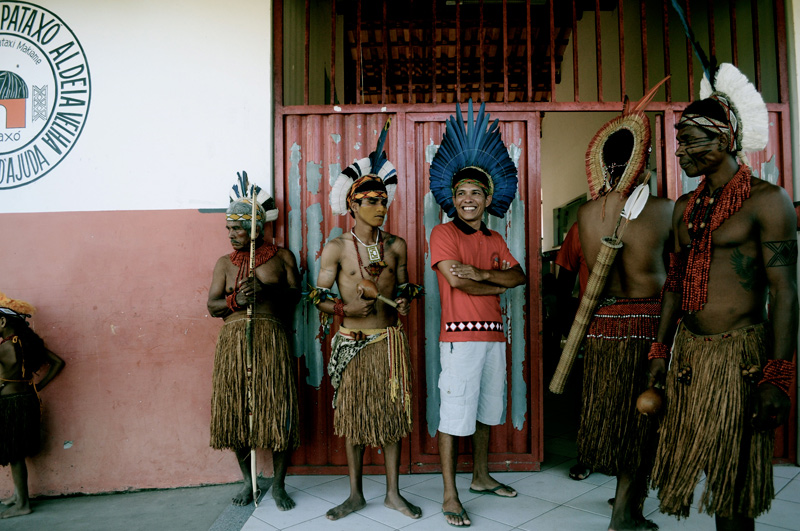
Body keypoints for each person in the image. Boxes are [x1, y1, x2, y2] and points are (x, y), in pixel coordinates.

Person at [648, 63, 797, 530]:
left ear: (726, 139)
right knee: (710, 467)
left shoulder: (768, 201)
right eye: (679, 141)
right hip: (691, 357)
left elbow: (785, 291)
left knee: (735, 482)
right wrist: (660, 349)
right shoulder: (684, 208)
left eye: (692, 140)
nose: (680, 151)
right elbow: (675, 283)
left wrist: (778, 375)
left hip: (741, 358)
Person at [574, 94, 674, 529]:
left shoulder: (586, 213)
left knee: (617, 417)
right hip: (650, 323)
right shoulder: (664, 210)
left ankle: (626, 502)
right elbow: (679, 275)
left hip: (604, 324)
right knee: (643, 420)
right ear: (642, 161)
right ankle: (623, 514)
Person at [313, 120, 422, 521]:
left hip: (388, 345)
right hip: (354, 345)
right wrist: (345, 310)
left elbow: (408, 286)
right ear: (353, 205)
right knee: (355, 419)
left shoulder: (396, 246)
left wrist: (406, 299)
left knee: (391, 418)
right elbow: (317, 297)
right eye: (372, 201)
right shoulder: (337, 247)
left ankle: (393, 493)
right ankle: (355, 494)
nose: (381, 207)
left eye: (383, 201)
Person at [429, 100, 526, 527]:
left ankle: (481, 477)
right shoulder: (442, 232)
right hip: (460, 338)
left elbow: (518, 277)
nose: (468, 200)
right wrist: (493, 283)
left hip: (493, 338)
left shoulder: (495, 238)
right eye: (461, 194)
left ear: (487, 199)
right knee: (454, 416)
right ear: (453, 200)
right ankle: (450, 494)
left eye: (475, 193)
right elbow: (459, 283)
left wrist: (484, 274)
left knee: (487, 411)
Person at [207, 176, 301, 510]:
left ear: (256, 228)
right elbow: (212, 306)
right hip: (234, 343)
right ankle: (249, 483)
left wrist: (267, 291)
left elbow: (295, 296)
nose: (231, 234)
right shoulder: (223, 263)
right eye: (229, 228)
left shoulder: (283, 257)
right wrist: (236, 300)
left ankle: (278, 485)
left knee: (277, 409)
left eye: (237, 228)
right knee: (236, 411)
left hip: (270, 339)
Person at [0, 293, 65, 519]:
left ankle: (23, 504)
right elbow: (58, 362)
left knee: (15, 454)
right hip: (28, 400)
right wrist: (39, 386)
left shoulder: (4, 348)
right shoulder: (29, 345)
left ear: (2, 321)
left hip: (9, 404)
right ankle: (18, 495)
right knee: (18, 451)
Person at [554, 222, 593, 482]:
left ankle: (629, 460)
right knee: (587, 392)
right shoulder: (581, 228)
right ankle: (587, 454)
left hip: (638, 320)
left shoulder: (648, 218)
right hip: (590, 323)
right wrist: (566, 328)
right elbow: (564, 283)